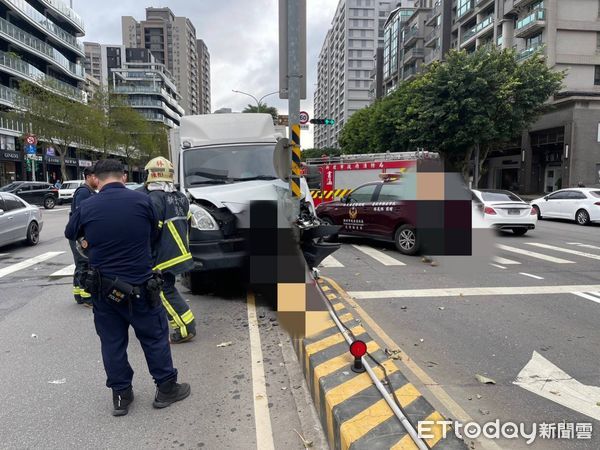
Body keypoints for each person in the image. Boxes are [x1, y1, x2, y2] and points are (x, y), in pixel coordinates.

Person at [64, 159, 190, 416]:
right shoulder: (143, 201)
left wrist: (90, 241)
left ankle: (121, 396)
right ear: (123, 177)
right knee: (155, 338)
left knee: (112, 343)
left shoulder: (87, 205)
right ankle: (166, 388)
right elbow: (154, 234)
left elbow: (71, 232)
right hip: (142, 285)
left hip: (105, 290)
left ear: (96, 180)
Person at [142, 157, 196, 343]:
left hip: (164, 255)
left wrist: (146, 255)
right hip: (179, 252)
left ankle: (185, 328)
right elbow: (189, 223)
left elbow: (152, 231)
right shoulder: (180, 197)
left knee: (164, 290)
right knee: (166, 288)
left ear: (150, 175)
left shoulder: (154, 199)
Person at [68, 166, 98, 307]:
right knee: (84, 264)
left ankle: (79, 295)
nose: (97, 179)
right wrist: (83, 238)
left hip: (80, 234)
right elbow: (80, 216)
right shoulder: (84, 192)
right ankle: (86, 297)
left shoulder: (90, 192)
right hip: (80, 235)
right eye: (94, 176)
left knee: (81, 264)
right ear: (88, 177)